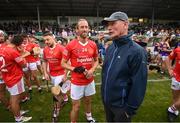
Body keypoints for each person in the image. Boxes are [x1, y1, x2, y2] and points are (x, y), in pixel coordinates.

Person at [101, 11, 148, 122]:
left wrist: (128, 110)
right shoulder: (111, 47)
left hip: (122, 108)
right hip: (108, 103)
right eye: (108, 25)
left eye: (113, 24)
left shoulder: (137, 51)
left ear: (125, 24)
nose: (109, 28)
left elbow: (139, 84)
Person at [61, 19, 99, 122]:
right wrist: (74, 69)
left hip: (89, 80)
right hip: (77, 82)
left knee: (88, 101)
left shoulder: (93, 44)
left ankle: (89, 117)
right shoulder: (70, 45)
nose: (84, 29)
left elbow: (96, 61)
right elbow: (63, 63)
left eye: (86, 27)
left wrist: (92, 70)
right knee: (76, 107)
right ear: (76, 30)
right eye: (82, 27)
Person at [0, 35, 32, 122]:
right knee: (15, 99)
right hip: (14, 77)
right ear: (19, 43)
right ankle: (18, 119)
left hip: (6, 76)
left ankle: (17, 112)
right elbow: (24, 64)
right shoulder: (12, 51)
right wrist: (22, 54)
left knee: (14, 97)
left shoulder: (2, 48)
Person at [42, 32, 68, 118]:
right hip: (52, 74)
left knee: (56, 93)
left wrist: (65, 75)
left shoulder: (61, 48)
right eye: (44, 40)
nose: (46, 42)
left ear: (53, 38)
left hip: (60, 73)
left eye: (48, 39)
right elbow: (45, 61)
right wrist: (45, 72)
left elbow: (68, 62)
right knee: (61, 91)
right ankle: (66, 98)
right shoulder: (45, 49)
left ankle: (56, 111)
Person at [166, 42, 180, 122]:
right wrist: (169, 69)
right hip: (176, 78)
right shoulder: (178, 50)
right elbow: (168, 58)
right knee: (176, 98)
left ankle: (171, 109)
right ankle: (174, 112)